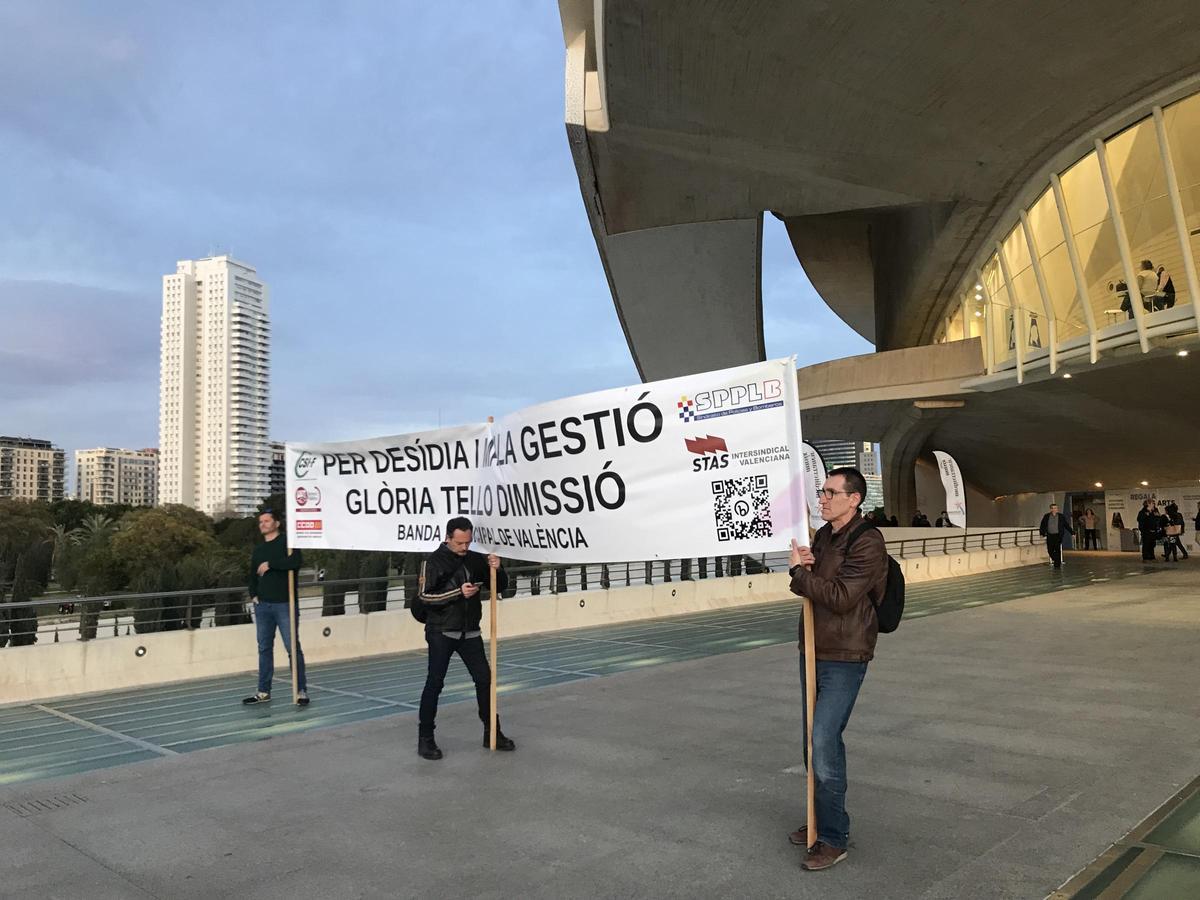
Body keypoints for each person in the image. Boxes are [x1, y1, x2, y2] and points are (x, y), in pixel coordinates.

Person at [786, 467, 887, 872]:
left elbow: (843, 597)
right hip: (813, 648)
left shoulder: (868, 542)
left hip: (845, 653)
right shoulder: (825, 536)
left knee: (825, 740)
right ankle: (818, 820)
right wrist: (809, 565)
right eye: (821, 491)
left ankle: (833, 837)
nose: (822, 498)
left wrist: (798, 574)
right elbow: (821, 583)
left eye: (830, 492)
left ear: (854, 499)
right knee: (811, 741)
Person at [416, 516, 513, 760]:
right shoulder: (433, 562)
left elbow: (499, 586)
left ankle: (492, 732)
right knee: (434, 684)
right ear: (448, 538)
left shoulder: (474, 558)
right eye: (460, 543)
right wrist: (457, 593)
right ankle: (425, 739)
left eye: (468, 542)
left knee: (485, 680)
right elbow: (425, 597)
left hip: (470, 631)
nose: (464, 548)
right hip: (441, 631)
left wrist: (497, 568)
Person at [243, 510, 309, 706]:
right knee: (264, 648)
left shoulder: (287, 543)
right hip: (263, 606)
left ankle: (301, 691)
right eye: (260, 522)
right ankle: (263, 691)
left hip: (284, 604)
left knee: (292, 648)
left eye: (266, 521)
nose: (262, 524)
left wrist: (271, 564)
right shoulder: (259, 549)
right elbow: (252, 575)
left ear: (277, 523)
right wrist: (254, 595)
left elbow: (295, 562)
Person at [1038, 502, 1073, 568]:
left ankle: (1057, 565)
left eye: (1055, 508)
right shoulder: (1046, 516)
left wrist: (1072, 532)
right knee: (1050, 550)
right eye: (1053, 508)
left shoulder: (1061, 516)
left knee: (1057, 549)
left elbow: (1066, 525)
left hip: (1058, 535)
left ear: (1057, 509)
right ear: (1050, 509)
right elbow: (1042, 525)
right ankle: (1056, 560)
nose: (1054, 509)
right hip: (1050, 535)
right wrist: (1042, 533)